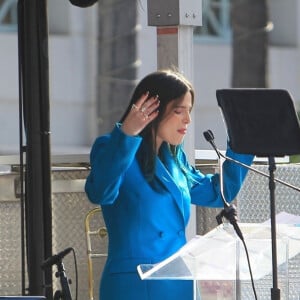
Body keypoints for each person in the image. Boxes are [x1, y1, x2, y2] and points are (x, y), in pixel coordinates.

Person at [85, 69, 254, 300]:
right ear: (151, 109)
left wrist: (243, 139)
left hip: (177, 283)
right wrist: (127, 134)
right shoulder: (111, 146)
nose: (188, 120)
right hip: (134, 285)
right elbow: (100, 192)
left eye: (189, 111)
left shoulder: (174, 159)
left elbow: (218, 192)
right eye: (179, 111)